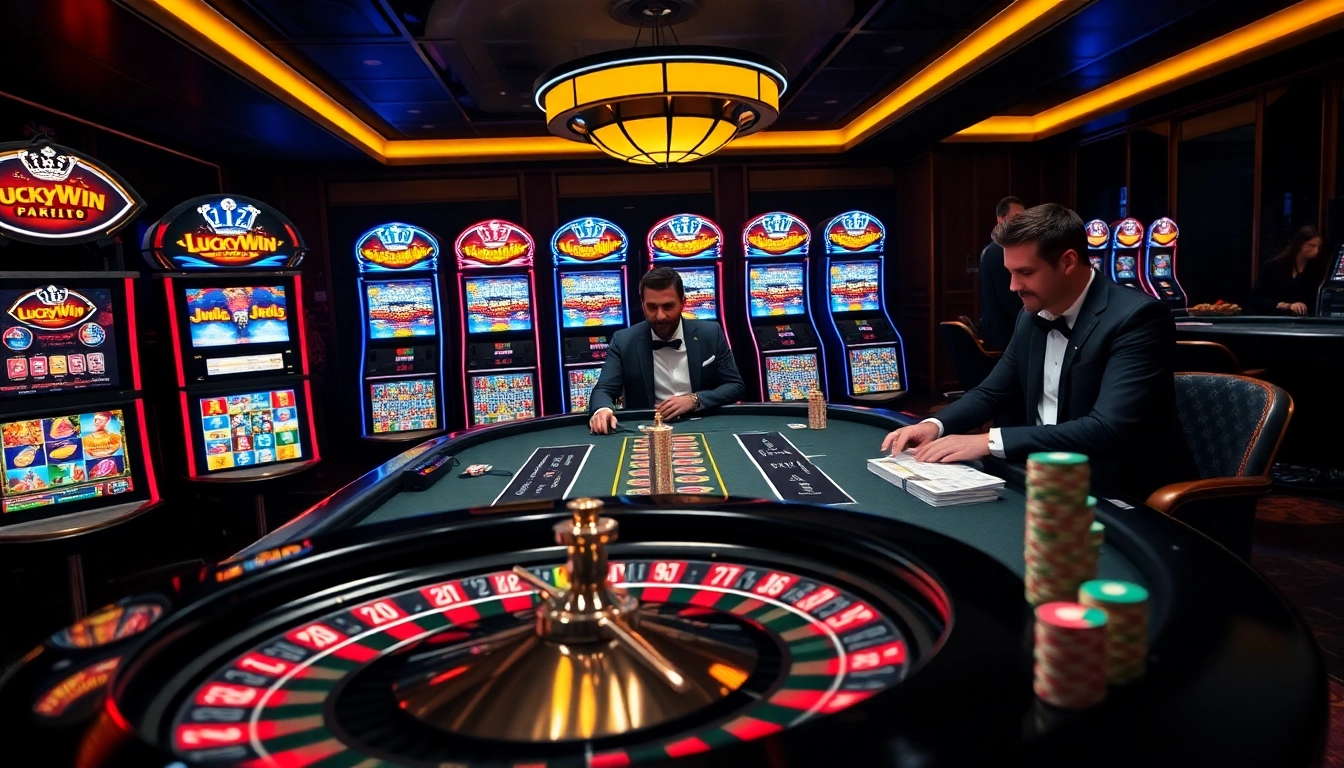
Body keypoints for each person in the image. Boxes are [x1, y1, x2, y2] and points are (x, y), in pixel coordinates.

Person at [882, 203, 1195, 499]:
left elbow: (1106, 428)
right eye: (1010, 272)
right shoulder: (1030, 316)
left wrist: (988, 441)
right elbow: (991, 392)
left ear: (1068, 262)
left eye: (1026, 273)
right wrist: (933, 426)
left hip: (1118, 491)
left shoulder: (1137, 318)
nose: (1013, 286)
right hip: (1038, 476)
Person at [588, 266, 745, 434]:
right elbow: (604, 389)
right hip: (649, 430)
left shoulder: (711, 333)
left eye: (668, 306)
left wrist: (695, 399)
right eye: (652, 307)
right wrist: (601, 410)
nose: (660, 316)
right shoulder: (624, 340)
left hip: (703, 425)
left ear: (683, 302)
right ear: (642, 305)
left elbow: (735, 386)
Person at [978, 196, 1027, 351]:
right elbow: (1007, 298)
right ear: (1001, 220)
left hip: (1004, 330)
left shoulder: (1001, 249)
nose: (1021, 223)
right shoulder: (998, 251)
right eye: (1017, 218)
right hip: (1004, 335)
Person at [1248, 226, 1326, 316]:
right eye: (1311, 246)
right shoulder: (1272, 267)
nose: (1316, 251)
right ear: (1299, 244)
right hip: (1272, 321)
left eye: (1318, 247)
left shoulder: (1318, 271)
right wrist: (1284, 305)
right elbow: (1256, 299)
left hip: (1303, 323)